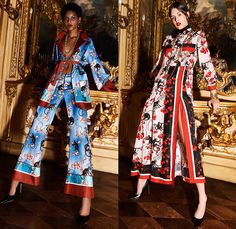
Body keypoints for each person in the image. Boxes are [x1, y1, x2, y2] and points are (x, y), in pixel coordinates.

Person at [0, 2, 116, 226]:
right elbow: (52, 66)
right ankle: (16, 184)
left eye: (73, 18)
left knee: (80, 139)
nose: (69, 21)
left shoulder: (86, 42)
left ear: (79, 20)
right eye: (67, 18)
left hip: (77, 90)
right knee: (36, 130)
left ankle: (85, 202)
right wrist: (44, 89)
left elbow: (96, 66)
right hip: (54, 88)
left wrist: (108, 85)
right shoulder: (58, 42)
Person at [129, 1, 220, 227]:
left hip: (180, 97)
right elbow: (158, 66)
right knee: (149, 137)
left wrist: (214, 94)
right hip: (158, 97)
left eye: (179, 14)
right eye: (172, 16)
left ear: (187, 14)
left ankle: (202, 197)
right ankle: (141, 184)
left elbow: (207, 66)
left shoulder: (198, 37)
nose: (176, 19)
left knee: (189, 143)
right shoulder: (168, 40)